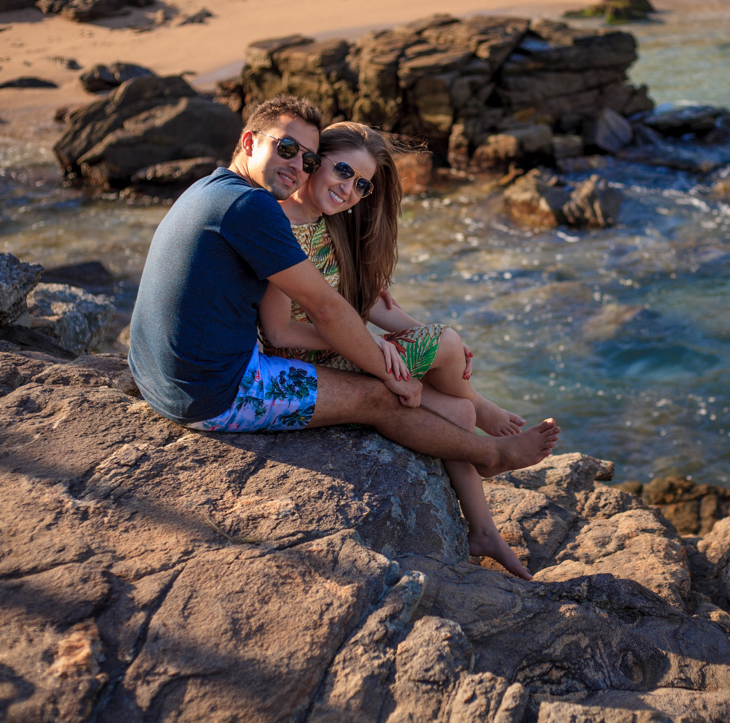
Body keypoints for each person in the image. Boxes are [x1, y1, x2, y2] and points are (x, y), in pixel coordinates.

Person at [127, 95, 560, 538]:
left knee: (447, 404)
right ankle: (491, 457)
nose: (296, 164)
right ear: (249, 142)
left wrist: (380, 342)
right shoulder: (255, 208)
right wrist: (384, 365)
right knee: (383, 399)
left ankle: (481, 515)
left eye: (307, 157)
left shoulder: (215, 188)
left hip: (158, 375)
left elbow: (342, 302)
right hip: (212, 392)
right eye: (286, 149)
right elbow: (322, 311)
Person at [257, 121, 532, 577]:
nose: (349, 190)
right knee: (445, 347)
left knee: (456, 406)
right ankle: (481, 406)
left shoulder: (333, 228)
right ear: (315, 159)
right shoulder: (277, 225)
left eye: (361, 185)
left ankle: (483, 530)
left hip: (345, 349)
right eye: (343, 172)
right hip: (308, 362)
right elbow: (280, 332)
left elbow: (371, 308)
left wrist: (441, 344)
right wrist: (373, 344)